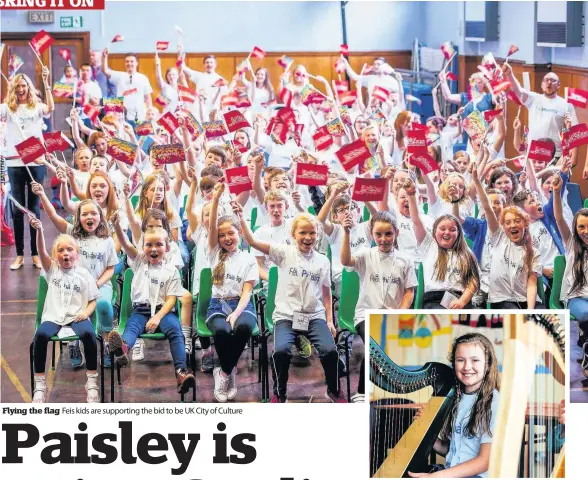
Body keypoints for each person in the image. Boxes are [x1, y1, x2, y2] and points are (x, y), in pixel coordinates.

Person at [240, 209, 345, 403]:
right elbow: (253, 242)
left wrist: (330, 320)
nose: (308, 237)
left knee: (330, 351)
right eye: (303, 233)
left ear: (317, 235)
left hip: (313, 316)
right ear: (293, 234)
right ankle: (280, 394)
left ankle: (333, 390)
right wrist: (241, 218)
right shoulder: (283, 252)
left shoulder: (323, 260)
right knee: (280, 351)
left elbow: (326, 293)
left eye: (312, 233)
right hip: (286, 316)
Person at [32, 183, 117, 367]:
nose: (89, 216)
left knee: (102, 304)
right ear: (78, 218)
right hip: (75, 287)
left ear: (100, 217)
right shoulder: (72, 233)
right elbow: (53, 215)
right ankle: (73, 343)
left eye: (93, 213)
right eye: (84, 214)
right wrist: (42, 194)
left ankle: (108, 344)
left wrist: (97, 283)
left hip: (100, 285)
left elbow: (111, 268)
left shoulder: (107, 239)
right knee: (70, 307)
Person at [109, 214, 195, 394]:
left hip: (164, 312)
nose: (153, 249)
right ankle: (123, 349)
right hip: (140, 311)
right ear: (142, 247)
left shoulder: (171, 270)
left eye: (158, 245)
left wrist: (157, 317)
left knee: (175, 331)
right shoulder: (139, 261)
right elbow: (125, 244)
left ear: (167, 247)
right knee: (131, 328)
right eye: (149, 245)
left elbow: (172, 299)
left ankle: (181, 371)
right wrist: (117, 226)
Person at [341, 211, 416, 402]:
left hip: (393, 316)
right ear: (372, 235)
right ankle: (362, 391)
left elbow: (409, 292)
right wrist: (347, 233)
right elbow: (345, 261)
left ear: (396, 233)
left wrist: (400, 313)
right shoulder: (366, 254)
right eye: (378, 235)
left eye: (388, 234)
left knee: (404, 343)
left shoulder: (405, 260)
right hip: (366, 315)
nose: (383, 239)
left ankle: (392, 390)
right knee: (376, 340)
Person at [28, 218, 100, 403]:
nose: (65, 253)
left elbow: (93, 301)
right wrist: (40, 231)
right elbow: (41, 251)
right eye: (60, 250)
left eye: (70, 249)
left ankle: (91, 382)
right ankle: (40, 385)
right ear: (55, 255)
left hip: (77, 316)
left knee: (89, 336)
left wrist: (86, 312)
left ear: (77, 253)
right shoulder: (52, 270)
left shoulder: (84, 275)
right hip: (53, 317)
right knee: (41, 336)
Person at [408, 333, 499, 478]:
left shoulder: (494, 402)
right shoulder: (456, 399)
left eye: (475, 360)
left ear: (487, 364)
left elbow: (485, 461)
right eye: (460, 360)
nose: (467, 367)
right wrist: (427, 431)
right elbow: (453, 450)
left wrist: (436, 476)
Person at [206, 183, 259, 403]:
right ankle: (230, 370)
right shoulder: (214, 253)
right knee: (221, 331)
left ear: (239, 234)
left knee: (244, 327)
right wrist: (216, 199)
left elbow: (247, 292)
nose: (227, 238)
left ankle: (225, 372)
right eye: (222, 235)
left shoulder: (248, 258)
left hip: (242, 304)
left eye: (231, 233)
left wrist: (237, 313)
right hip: (218, 304)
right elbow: (211, 227)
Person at [0, 69, 54, 270]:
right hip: (14, 163)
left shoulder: (36, 107)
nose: (21, 89)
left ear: (29, 88)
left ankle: (36, 254)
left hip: (35, 159)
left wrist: (46, 82)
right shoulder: (7, 108)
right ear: (13, 88)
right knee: (17, 210)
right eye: (18, 86)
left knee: (33, 209)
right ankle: (20, 255)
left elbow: (50, 107)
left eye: (24, 86)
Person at [405, 178, 480, 309]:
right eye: (442, 229)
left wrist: (462, 301)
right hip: (434, 302)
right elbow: (416, 220)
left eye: (452, 230)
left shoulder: (466, 253)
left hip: (461, 301)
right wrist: (411, 195)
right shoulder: (429, 246)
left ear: (458, 234)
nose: (447, 233)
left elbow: (473, 281)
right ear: (434, 232)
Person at [503, 65, 579, 166]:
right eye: (546, 80)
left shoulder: (566, 105)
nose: (549, 83)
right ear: (542, 84)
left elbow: (575, 133)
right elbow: (518, 90)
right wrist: (509, 74)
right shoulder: (534, 99)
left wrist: (573, 159)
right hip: (533, 153)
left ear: (558, 84)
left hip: (554, 156)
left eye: (553, 80)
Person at [552, 175, 588, 323]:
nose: (586, 231)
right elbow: (559, 218)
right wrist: (556, 192)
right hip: (576, 298)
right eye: (581, 227)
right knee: (586, 313)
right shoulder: (572, 243)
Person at [102, 50, 153, 124]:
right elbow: (105, 70)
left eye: (132, 61)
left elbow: (148, 97)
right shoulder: (119, 76)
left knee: (140, 135)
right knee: (124, 135)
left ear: (136, 63)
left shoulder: (143, 78)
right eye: (127, 61)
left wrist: (150, 111)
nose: (129, 63)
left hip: (140, 115)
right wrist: (104, 57)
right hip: (122, 116)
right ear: (124, 63)